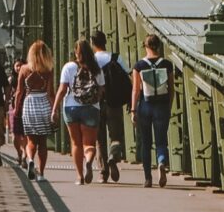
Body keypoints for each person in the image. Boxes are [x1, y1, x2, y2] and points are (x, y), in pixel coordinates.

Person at [56, 38, 105, 184]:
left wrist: (54, 109)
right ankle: (89, 161)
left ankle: (79, 176)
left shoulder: (69, 67)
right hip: (91, 108)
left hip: (71, 107)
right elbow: (102, 90)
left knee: (76, 143)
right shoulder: (96, 69)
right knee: (89, 144)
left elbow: (62, 89)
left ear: (75, 52)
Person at [132, 34, 178, 187]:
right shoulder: (167, 64)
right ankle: (161, 161)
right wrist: (169, 106)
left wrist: (133, 110)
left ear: (145, 46)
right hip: (162, 106)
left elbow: (135, 90)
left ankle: (147, 179)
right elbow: (171, 89)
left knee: (146, 143)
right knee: (161, 140)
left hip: (145, 106)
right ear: (158, 46)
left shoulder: (139, 65)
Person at [91, 31, 132, 183]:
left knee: (99, 139)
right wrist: (130, 100)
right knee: (116, 136)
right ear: (105, 41)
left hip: (95, 104)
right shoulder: (116, 57)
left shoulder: (91, 60)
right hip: (114, 103)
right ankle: (113, 157)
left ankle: (103, 173)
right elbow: (128, 77)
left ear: (93, 43)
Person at [14, 41, 56, 180]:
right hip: (43, 103)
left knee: (31, 140)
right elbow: (50, 93)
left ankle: (30, 160)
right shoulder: (48, 70)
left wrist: (16, 109)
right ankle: (41, 173)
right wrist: (54, 109)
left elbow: (19, 92)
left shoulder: (24, 69)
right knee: (42, 142)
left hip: (29, 104)